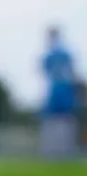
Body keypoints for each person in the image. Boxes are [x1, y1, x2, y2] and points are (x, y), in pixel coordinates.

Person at [40, 26, 80, 160]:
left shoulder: (53, 55)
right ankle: (59, 151)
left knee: (60, 120)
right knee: (58, 120)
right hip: (61, 88)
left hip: (60, 88)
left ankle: (59, 151)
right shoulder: (61, 53)